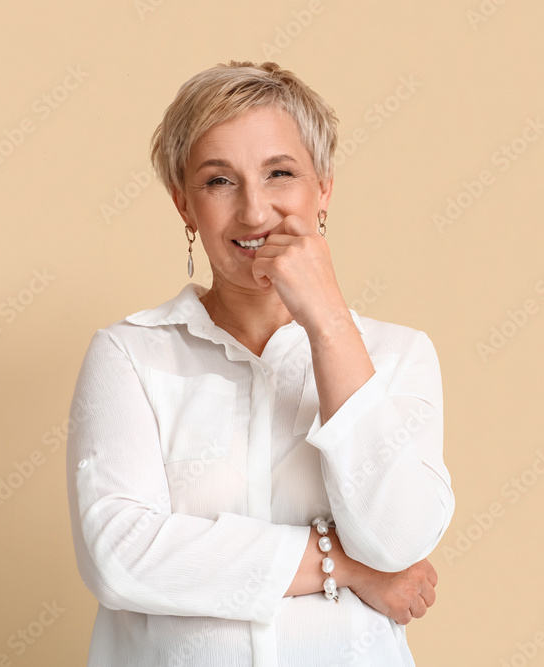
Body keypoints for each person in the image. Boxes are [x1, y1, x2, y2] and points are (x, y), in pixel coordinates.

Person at [65, 60, 454, 666]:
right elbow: (120, 558)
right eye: (219, 181)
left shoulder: (399, 356)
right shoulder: (130, 355)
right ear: (184, 206)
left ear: (322, 188)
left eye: (281, 173)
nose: (253, 212)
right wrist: (343, 564)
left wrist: (327, 321)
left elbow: (397, 538)